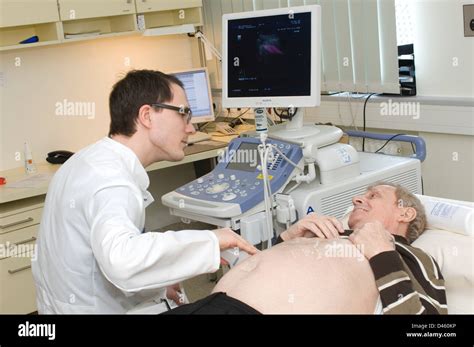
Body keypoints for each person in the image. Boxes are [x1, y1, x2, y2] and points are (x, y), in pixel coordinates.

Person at [32, 70, 258, 314]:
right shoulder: (112, 181)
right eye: (184, 114)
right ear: (147, 116)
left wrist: (156, 288)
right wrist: (211, 240)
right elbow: (122, 261)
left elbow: (98, 257)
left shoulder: (87, 160)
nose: (191, 128)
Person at [165, 182, 448, 314]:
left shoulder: (409, 256)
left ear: (405, 214)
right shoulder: (328, 233)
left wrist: (383, 254)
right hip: (206, 306)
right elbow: (263, 274)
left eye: (373, 195)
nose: (356, 199)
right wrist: (285, 241)